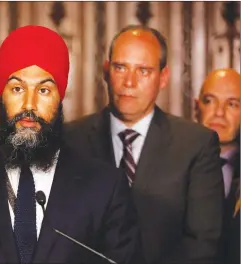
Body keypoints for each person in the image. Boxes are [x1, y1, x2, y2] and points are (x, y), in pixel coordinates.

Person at [0, 25, 142, 264]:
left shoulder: (105, 188)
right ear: (2, 96)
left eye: (43, 90)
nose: (29, 104)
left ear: (60, 98)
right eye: (17, 89)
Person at [65, 25, 224, 264]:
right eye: (121, 68)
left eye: (143, 71)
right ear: (107, 71)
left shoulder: (196, 144)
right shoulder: (69, 139)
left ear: (163, 77)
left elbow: (202, 244)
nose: (129, 82)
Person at [195, 68, 240, 264]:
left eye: (232, 104)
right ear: (197, 107)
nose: (219, 112)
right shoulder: (167, 166)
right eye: (210, 100)